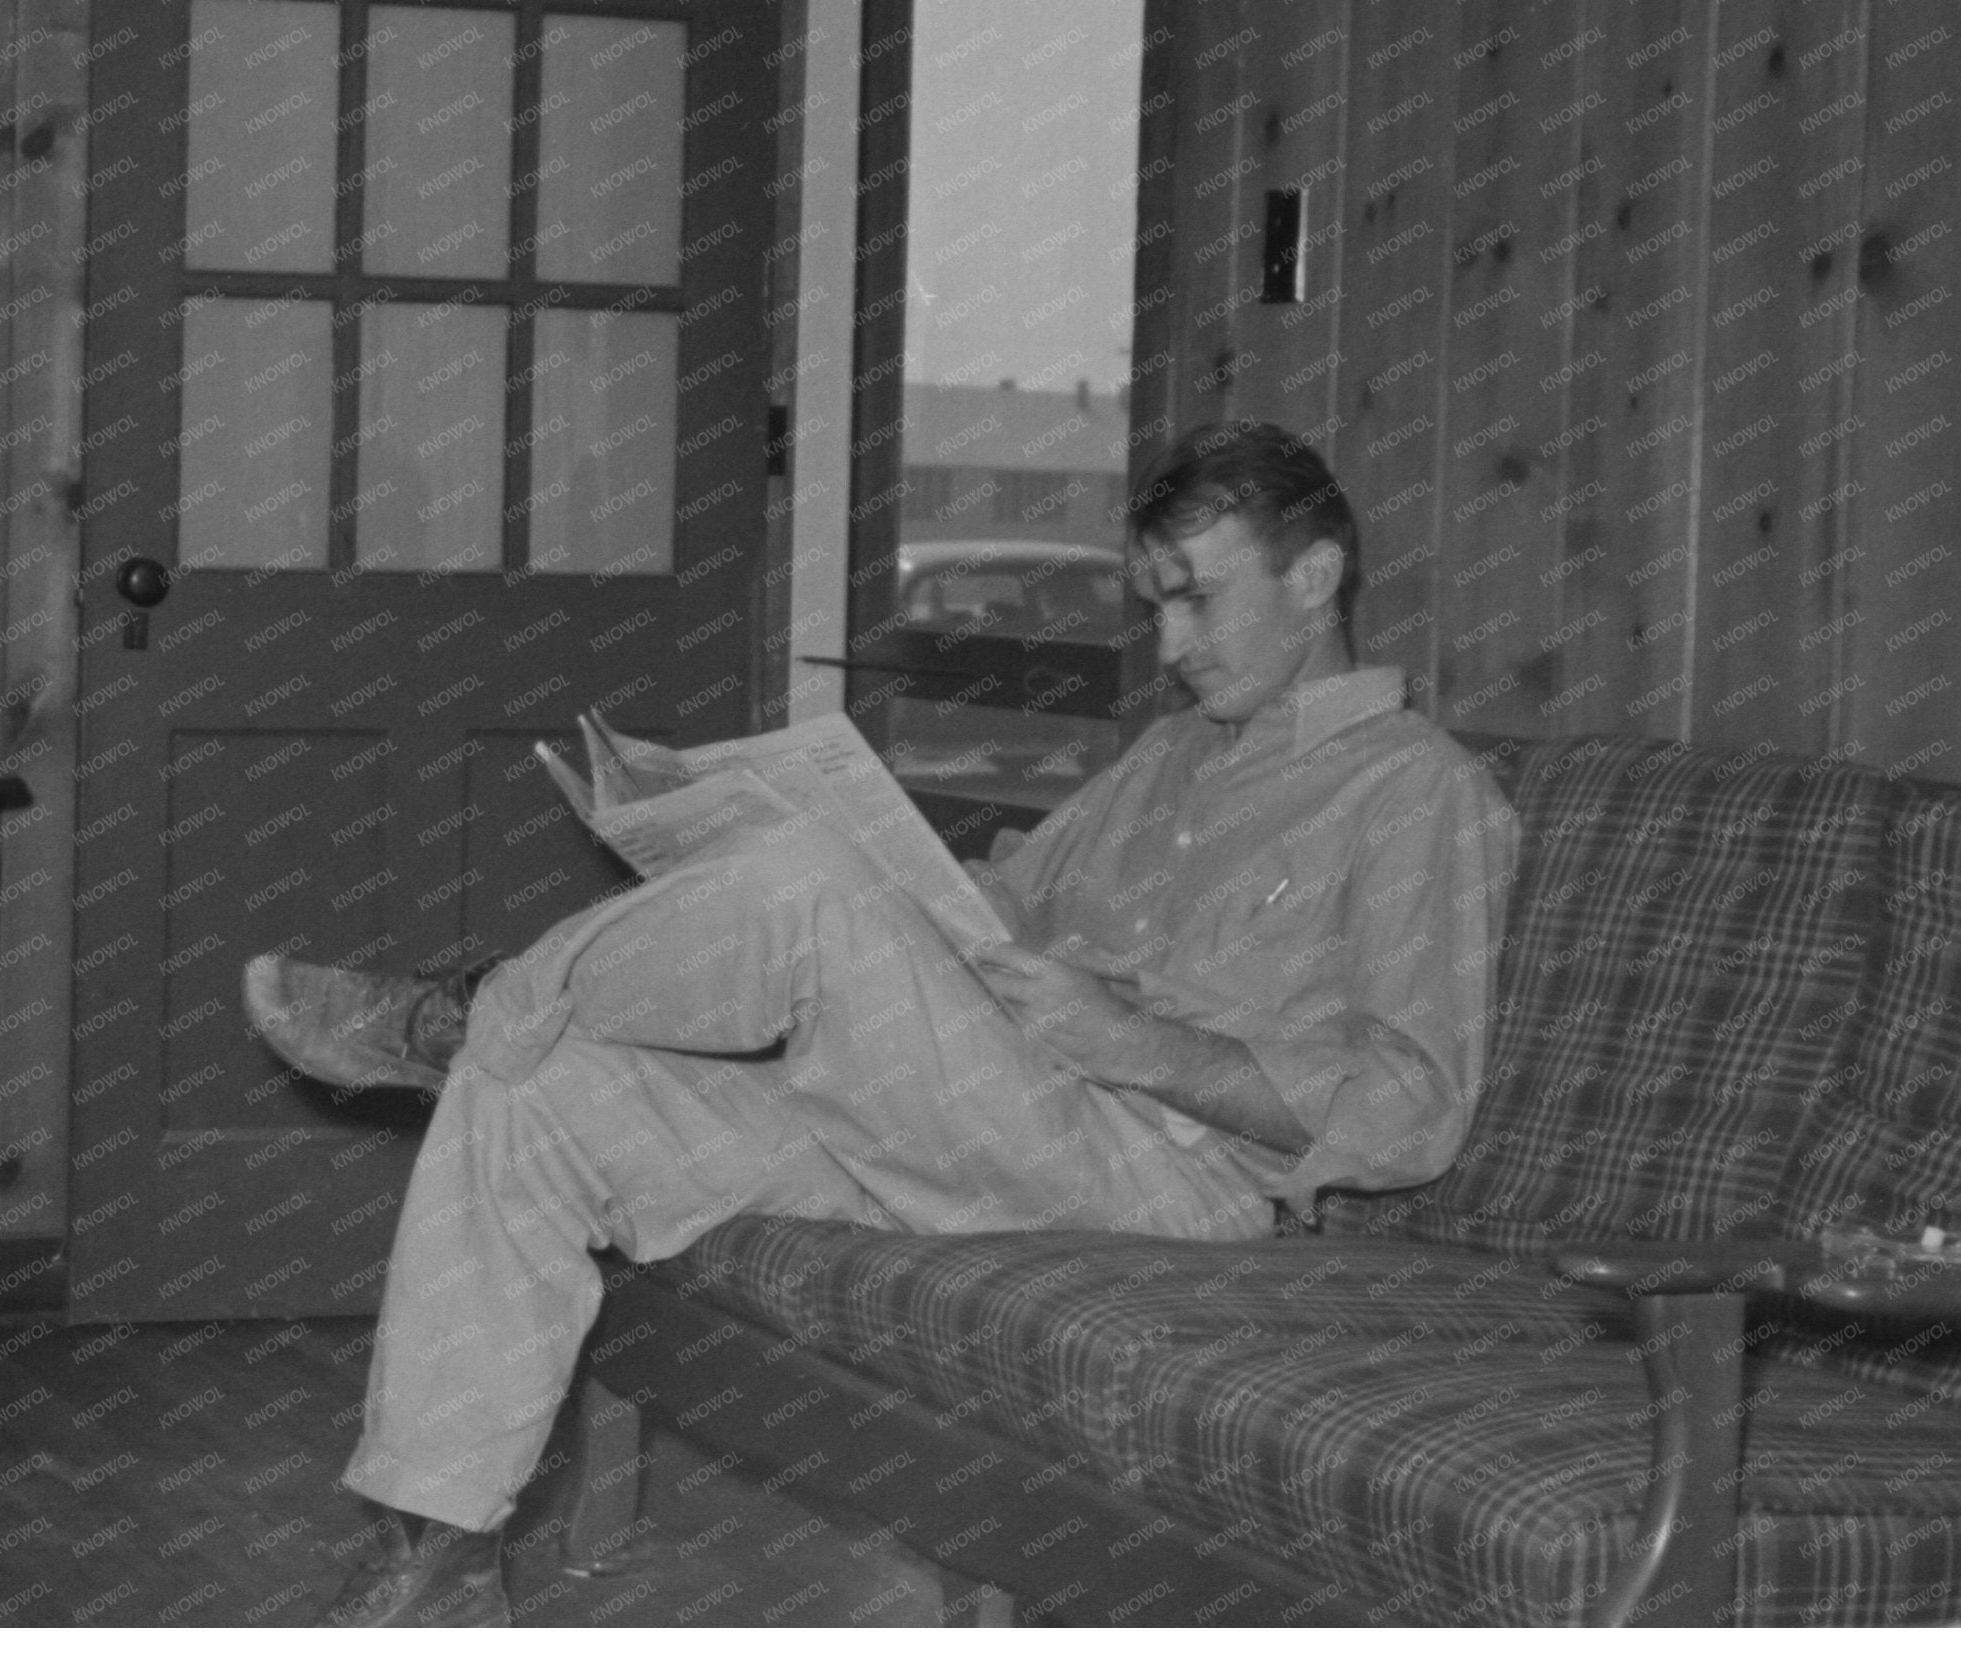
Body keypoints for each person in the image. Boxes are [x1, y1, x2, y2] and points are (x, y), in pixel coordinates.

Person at [244, 420, 1520, 1625]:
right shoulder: (1176, 756)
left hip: (1163, 1168)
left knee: (777, 899)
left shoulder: (1418, 793)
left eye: (1200, 595)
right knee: (546, 1090)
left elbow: (1412, 1112)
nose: (1172, 638)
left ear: (1318, 577)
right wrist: (845, 858)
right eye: (1156, 603)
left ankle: (464, 1007)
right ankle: (443, 1559)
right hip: (988, 1107)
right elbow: (1007, 904)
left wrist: (1138, 1043)